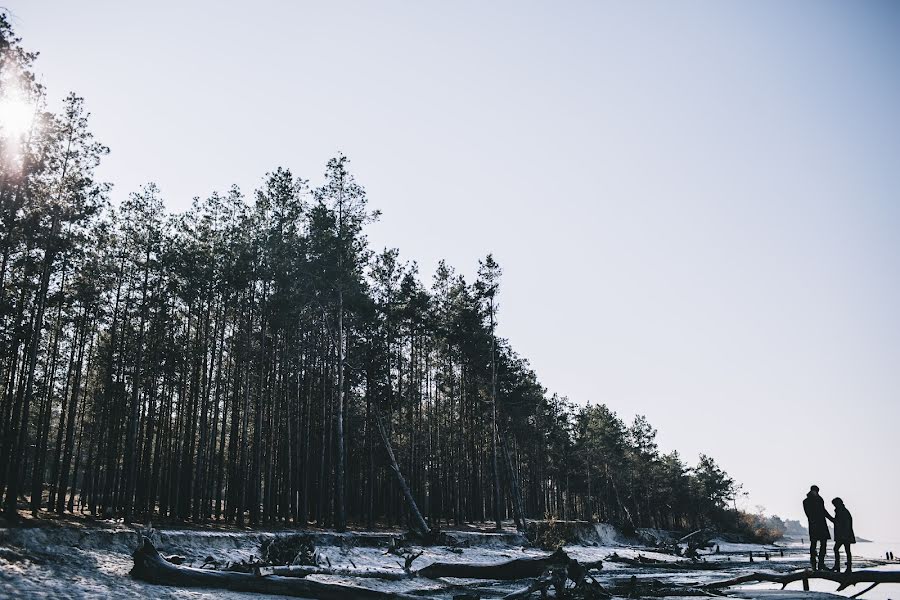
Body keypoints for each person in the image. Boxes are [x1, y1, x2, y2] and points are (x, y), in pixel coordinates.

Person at [803, 485, 834, 570]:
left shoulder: (819, 499)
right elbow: (809, 514)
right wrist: (832, 519)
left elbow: (823, 511)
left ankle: (821, 564)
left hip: (820, 524)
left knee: (822, 544)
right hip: (815, 525)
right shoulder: (807, 501)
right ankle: (814, 564)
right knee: (814, 544)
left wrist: (832, 520)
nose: (816, 493)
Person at [832, 498, 855, 573]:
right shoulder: (843, 510)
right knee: (847, 550)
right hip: (845, 535)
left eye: (834, 504)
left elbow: (846, 523)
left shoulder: (842, 511)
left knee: (837, 549)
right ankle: (848, 566)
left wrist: (844, 535)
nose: (834, 506)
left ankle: (839, 566)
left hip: (843, 535)